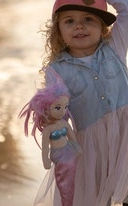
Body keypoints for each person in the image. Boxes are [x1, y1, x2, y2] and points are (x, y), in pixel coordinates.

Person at [38, 0, 128, 206]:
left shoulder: (115, 47)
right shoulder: (58, 68)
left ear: (103, 27)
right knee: (94, 194)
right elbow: (56, 109)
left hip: (127, 135)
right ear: (58, 31)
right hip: (90, 143)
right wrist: (52, 123)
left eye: (89, 20)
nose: (79, 26)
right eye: (69, 21)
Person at [19, 69, 82, 206]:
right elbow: (45, 148)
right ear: (46, 108)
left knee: (72, 178)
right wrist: (45, 160)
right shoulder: (48, 129)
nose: (63, 110)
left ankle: (70, 200)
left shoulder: (64, 124)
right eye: (58, 107)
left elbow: (72, 137)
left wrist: (76, 147)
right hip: (57, 155)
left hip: (69, 153)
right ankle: (66, 201)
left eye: (66, 107)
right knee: (62, 180)